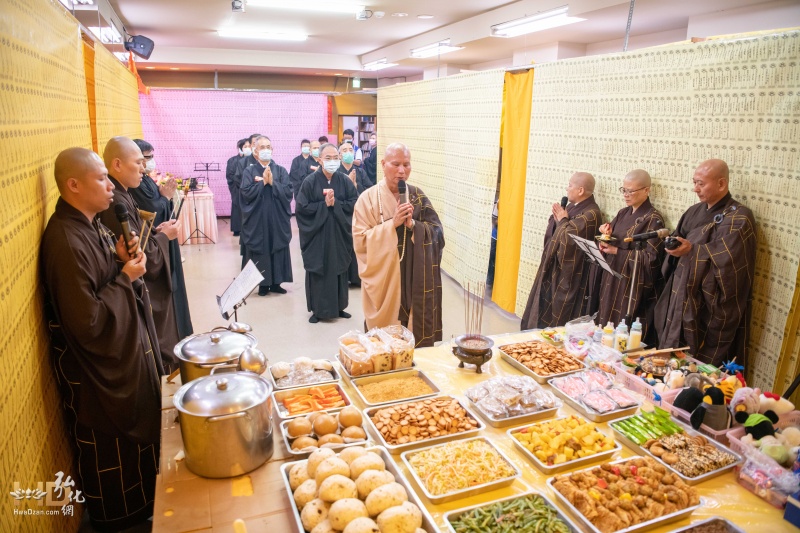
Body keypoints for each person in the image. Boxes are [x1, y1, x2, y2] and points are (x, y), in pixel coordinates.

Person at [41, 147, 163, 532]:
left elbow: (102, 280)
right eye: (100, 179)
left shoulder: (89, 224)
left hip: (124, 354)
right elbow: (88, 322)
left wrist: (117, 260)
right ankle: (123, 520)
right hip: (98, 379)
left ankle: (146, 504)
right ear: (73, 185)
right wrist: (125, 278)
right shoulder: (64, 240)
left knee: (141, 459)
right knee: (115, 463)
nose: (109, 186)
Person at [654, 159, 756, 367]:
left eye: (701, 183)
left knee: (701, 364)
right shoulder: (694, 211)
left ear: (721, 184)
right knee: (672, 356)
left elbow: (730, 261)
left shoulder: (740, 217)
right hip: (682, 292)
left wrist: (692, 250)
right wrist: (671, 245)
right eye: (694, 182)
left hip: (709, 303)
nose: (695, 189)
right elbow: (679, 238)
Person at [99, 136, 182, 373]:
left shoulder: (125, 194)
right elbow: (144, 257)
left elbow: (140, 237)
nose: (144, 168)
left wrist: (157, 230)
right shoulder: (116, 201)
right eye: (138, 162)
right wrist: (166, 237)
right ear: (117, 164)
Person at [353, 143, 445, 347]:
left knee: (415, 341)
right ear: (384, 164)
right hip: (385, 280)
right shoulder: (367, 199)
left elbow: (437, 233)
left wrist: (414, 226)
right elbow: (360, 241)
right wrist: (391, 225)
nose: (402, 170)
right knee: (384, 344)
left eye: (406, 164)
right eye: (395, 164)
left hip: (415, 277)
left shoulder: (417, 196)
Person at [129, 138, 194, 339]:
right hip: (153, 243)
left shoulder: (145, 178)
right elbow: (152, 209)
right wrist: (165, 197)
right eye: (145, 159)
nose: (148, 164)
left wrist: (164, 196)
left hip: (162, 234)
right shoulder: (135, 184)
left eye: (149, 158)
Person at [520, 172, 602, 329]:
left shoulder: (592, 214)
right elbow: (557, 231)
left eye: (570, 185)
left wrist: (563, 220)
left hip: (571, 274)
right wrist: (557, 219)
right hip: (553, 266)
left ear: (580, 190)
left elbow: (569, 240)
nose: (567, 188)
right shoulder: (571, 207)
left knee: (561, 310)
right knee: (543, 304)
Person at [596, 170, 665, 343]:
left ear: (646, 190)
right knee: (606, 322)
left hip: (631, 284)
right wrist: (605, 234)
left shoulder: (653, 219)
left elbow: (652, 259)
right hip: (613, 276)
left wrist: (617, 252)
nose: (626, 195)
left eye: (631, 191)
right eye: (624, 190)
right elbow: (612, 239)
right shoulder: (622, 213)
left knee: (623, 329)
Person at [296, 143, 359, 323]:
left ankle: (339, 307)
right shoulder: (310, 182)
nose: (332, 161)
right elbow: (302, 208)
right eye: (328, 158)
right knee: (319, 269)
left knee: (339, 267)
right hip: (318, 235)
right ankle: (318, 310)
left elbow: (354, 203)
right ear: (319, 160)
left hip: (338, 234)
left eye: (335, 158)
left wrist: (336, 204)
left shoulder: (345, 181)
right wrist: (324, 206)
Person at [239, 135, 293, 296]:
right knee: (261, 248)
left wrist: (272, 183)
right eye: (262, 147)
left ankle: (277, 282)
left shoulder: (281, 170)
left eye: (268, 147)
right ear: (255, 152)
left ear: (272, 150)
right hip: (258, 219)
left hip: (277, 218)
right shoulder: (249, 171)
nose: (266, 150)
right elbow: (245, 193)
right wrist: (262, 183)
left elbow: (288, 192)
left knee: (277, 245)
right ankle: (263, 284)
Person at [339, 142, 372, 287]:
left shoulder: (360, 172)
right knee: (343, 245)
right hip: (340, 215)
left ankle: (356, 277)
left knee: (357, 245)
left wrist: (356, 187)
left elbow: (369, 190)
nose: (348, 153)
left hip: (358, 215)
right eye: (344, 150)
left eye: (350, 150)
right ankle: (343, 276)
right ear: (339, 155)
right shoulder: (336, 173)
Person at [235, 133, 261, 265]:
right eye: (255, 143)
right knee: (249, 238)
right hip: (249, 205)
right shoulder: (243, 163)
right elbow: (240, 183)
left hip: (265, 208)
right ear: (251, 146)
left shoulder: (269, 163)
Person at [226, 138, 250, 236]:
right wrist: (241, 184)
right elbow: (230, 175)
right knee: (237, 208)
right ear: (240, 148)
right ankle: (237, 229)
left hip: (249, 188)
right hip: (237, 188)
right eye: (245, 147)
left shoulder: (251, 160)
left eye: (249, 146)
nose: (248, 148)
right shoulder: (232, 160)